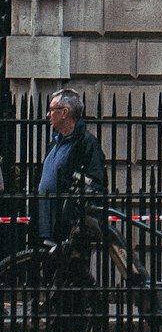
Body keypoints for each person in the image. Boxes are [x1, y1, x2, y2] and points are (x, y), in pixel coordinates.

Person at [37, 88, 107, 243]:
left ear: (64, 112)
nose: (48, 115)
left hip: (67, 227)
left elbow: (96, 182)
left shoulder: (86, 143)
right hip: (46, 223)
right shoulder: (55, 141)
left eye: (52, 109)